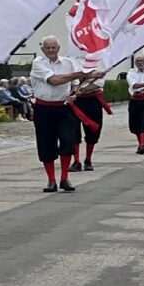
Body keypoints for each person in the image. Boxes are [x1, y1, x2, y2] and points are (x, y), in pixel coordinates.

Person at [26, 35, 88, 194]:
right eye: (48, 48)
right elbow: (54, 80)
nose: (51, 50)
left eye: (53, 47)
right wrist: (77, 74)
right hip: (44, 108)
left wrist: (75, 93)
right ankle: (51, 180)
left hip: (64, 108)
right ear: (42, 49)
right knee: (46, 144)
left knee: (68, 141)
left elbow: (75, 85)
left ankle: (64, 178)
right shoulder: (38, 63)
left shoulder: (68, 63)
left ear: (58, 48)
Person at [70, 73, 109, 171]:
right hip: (75, 101)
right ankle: (76, 161)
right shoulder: (74, 66)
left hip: (93, 101)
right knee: (73, 130)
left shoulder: (99, 68)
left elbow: (98, 84)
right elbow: (72, 80)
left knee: (93, 131)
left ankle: (88, 160)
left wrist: (83, 86)